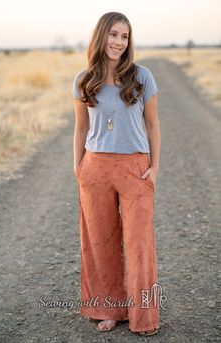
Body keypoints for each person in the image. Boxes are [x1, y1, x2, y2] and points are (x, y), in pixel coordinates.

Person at [72, 11, 161, 336]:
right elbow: (80, 130)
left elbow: (152, 125)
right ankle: (109, 309)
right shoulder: (84, 80)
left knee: (138, 244)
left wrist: (155, 166)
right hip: (95, 169)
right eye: (113, 35)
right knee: (100, 243)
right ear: (101, 37)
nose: (118, 43)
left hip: (135, 167)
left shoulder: (142, 76)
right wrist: (78, 166)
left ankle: (143, 317)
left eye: (124, 37)